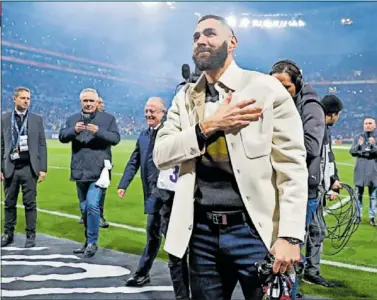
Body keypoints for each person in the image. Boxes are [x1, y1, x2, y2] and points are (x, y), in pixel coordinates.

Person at [153, 15, 308, 300]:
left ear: (232, 42)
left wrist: (290, 236)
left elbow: (292, 169)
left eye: (210, 34)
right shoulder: (184, 98)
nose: (201, 40)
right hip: (201, 234)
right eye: (196, 36)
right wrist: (209, 126)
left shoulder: (266, 89)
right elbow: (161, 154)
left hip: (256, 233)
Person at [270, 60, 326, 299]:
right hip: (276, 186)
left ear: (298, 85)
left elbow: (311, 146)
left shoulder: (310, 106)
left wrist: (272, 142)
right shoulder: (273, 104)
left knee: (287, 254)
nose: (280, 92)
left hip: (301, 190)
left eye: (286, 87)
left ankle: (288, 295)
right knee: (274, 253)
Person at [59, 88, 120, 258]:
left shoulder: (108, 119)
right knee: (84, 207)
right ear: (81, 102)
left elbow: (115, 139)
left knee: (92, 205)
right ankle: (87, 241)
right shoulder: (73, 119)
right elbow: (62, 136)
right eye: (85, 101)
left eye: (91, 101)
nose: (88, 104)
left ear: (96, 102)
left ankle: (92, 242)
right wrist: (74, 131)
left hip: (99, 171)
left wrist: (98, 132)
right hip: (79, 170)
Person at [117, 97, 166, 287]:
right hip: (153, 194)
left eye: (152, 111)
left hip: (169, 195)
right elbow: (133, 161)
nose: (148, 114)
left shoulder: (170, 134)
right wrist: (123, 184)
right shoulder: (144, 135)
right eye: (146, 111)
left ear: (163, 112)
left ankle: (186, 279)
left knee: (172, 238)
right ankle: (143, 273)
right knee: (153, 234)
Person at [303, 94, 344, 288]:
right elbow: (312, 159)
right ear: (334, 114)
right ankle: (291, 278)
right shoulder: (317, 128)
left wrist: (332, 180)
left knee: (317, 231)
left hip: (317, 191)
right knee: (299, 236)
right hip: (307, 191)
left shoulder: (323, 129)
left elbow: (327, 159)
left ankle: (311, 272)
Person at [1, 87, 47, 248]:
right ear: (14, 99)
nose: (26, 101)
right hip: (10, 167)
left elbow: (42, 145)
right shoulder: (5, 118)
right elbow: (1, 144)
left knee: (30, 203)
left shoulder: (36, 119)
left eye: (28, 98)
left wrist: (43, 168)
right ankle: (8, 234)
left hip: (29, 168)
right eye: (23, 98)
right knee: (9, 203)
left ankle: (30, 235)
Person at [155, 166, 190, 299]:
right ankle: (182, 297)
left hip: (195, 196)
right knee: (175, 255)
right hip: (168, 199)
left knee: (201, 255)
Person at [78, 96, 109, 228]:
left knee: (100, 192)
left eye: (101, 102)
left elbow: (112, 137)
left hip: (101, 162)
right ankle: (84, 214)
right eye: (99, 102)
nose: (101, 105)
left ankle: (99, 216)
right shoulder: (82, 119)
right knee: (82, 190)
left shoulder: (107, 120)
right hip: (83, 162)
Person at [350, 116, 377, 226]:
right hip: (360, 171)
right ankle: (358, 216)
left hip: (373, 171)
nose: (368, 125)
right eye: (366, 123)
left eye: (370, 123)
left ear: (375, 126)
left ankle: (372, 217)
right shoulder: (358, 137)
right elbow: (352, 151)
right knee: (358, 195)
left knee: (373, 196)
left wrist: (373, 145)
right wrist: (359, 146)